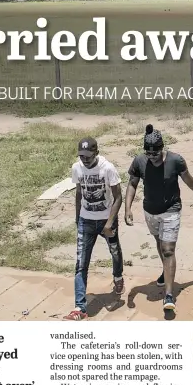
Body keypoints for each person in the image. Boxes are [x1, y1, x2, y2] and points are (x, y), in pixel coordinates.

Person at [125, 124, 193, 313]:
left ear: (162, 147)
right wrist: (127, 209)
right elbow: (132, 184)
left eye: (155, 151)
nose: (152, 155)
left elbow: (188, 180)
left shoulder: (175, 160)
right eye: (148, 152)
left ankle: (169, 295)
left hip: (171, 210)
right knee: (159, 243)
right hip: (150, 211)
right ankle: (166, 274)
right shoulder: (139, 162)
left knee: (168, 249)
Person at [64, 137, 125, 321]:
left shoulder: (108, 168)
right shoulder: (77, 168)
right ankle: (80, 307)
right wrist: (77, 219)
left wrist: (109, 223)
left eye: (88, 156)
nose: (85, 160)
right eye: (82, 156)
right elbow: (78, 193)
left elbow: (118, 197)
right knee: (81, 263)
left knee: (115, 252)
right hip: (86, 221)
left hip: (107, 220)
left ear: (96, 153)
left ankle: (118, 277)